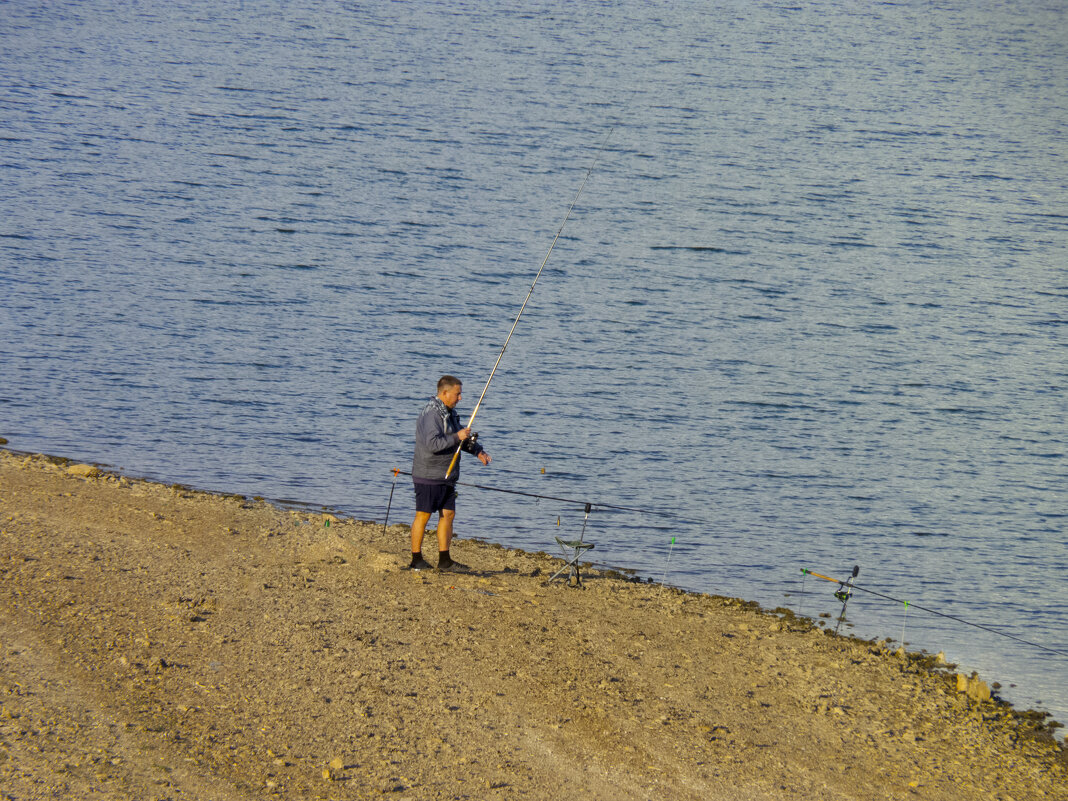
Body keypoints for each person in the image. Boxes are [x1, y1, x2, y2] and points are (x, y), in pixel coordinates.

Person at [409, 375, 491, 571]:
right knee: (423, 515)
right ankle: (416, 559)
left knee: (448, 514)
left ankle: (445, 560)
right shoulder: (432, 414)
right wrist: (457, 437)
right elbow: (433, 444)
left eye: (460, 394)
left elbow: (461, 438)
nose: (460, 398)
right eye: (457, 394)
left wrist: (478, 451)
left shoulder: (450, 413)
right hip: (429, 473)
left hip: (447, 474)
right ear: (445, 393)